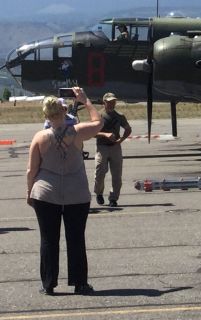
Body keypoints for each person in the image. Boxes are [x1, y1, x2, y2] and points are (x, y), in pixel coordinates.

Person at [26, 88, 103, 295]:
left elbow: (31, 170)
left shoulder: (39, 137)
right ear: (64, 111)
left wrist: (29, 192)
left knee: (48, 239)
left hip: (45, 193)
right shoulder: (77, 132)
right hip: (76, 193)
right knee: (76, 238)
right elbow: (98, 123)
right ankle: (79, 283)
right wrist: (85, 100)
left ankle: (48, 283)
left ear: (46, 115)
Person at [94, 92, 132, 207]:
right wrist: (105, 135)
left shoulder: (119, 116)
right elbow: (92, 132)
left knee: (116, 175)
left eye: (114, 102)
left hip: (115, 147)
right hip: (102, 147)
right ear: (104, 102)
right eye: (109, 102)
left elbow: (128, 129)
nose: (112, 104)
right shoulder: (98, 116)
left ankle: (113, 198)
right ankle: (99, 193)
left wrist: (121, 140)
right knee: (100, 172)